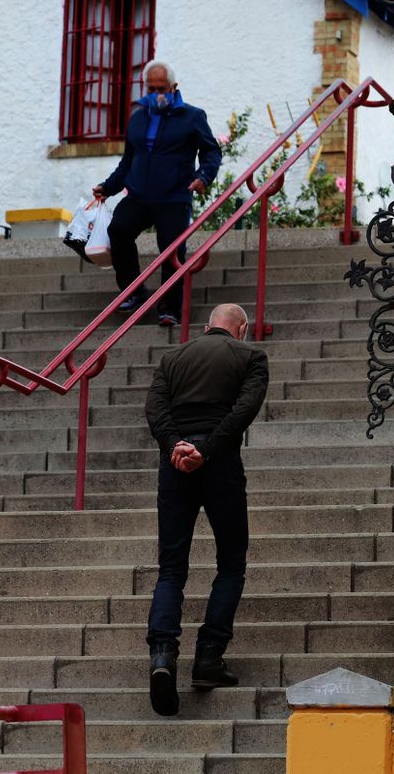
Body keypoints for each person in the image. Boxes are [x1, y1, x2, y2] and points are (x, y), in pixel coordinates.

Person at [142, 303, 270, 717]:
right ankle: (208, 659)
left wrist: (176, 446)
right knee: (231, 562)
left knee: (171, 567)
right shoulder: (251, 356)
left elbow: (155, 411)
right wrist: (207, 451)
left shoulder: (172, 358)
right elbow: (243, 412)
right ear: (242, 329)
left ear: (205, 328)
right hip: (219, 464)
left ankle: (163, 655)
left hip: (175, 465)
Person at [93, 60, 222, 328]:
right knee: (119, 230)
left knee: (171, 250)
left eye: (161, 88)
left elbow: (211, 152)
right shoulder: (138, 118)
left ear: (174, 87)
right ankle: (134, 291)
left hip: (174, 196)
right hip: (139, 195)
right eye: (151, 88)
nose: (157, 94)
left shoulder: (193, 117)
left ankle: (170, 308)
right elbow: (128, 161)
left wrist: (202, 177)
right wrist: (108, 187)